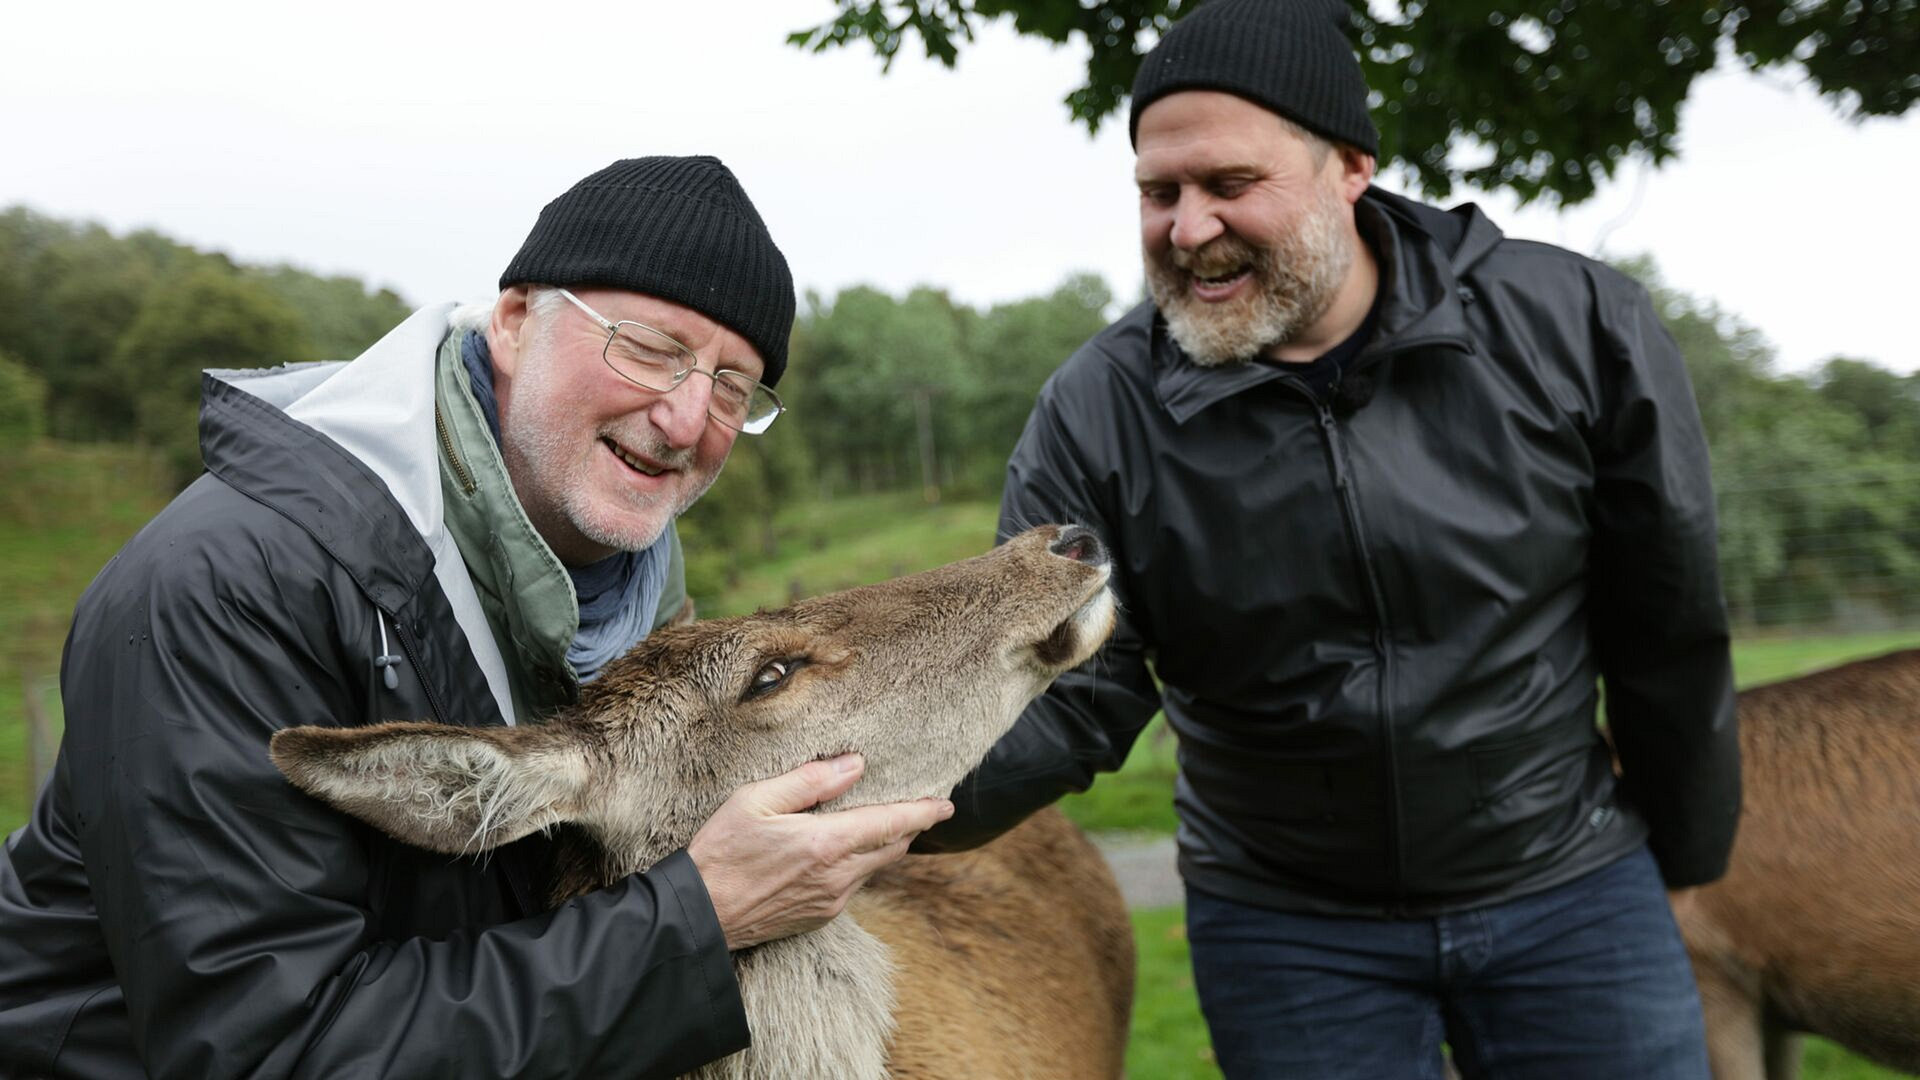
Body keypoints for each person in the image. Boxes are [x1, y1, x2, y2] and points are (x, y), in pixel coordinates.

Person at [917, 2, 1740, 1076]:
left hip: (1568, 890)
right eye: (1158, 193)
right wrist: (878, 808)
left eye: (1229, 185)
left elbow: (1665, 626)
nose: (1188, 227)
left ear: (1350, 167)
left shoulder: (1577, 331)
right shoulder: (1096, 413)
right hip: (1288, 930)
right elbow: (1067, 689)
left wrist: (1684, 854)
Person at [0, 156, 953, 1079]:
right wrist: (701, 916)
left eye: (733, 386)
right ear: (512, 322)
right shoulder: (225, 591)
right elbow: (264, 1050)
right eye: (651, 349)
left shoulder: (632, 601)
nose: (686, 418)